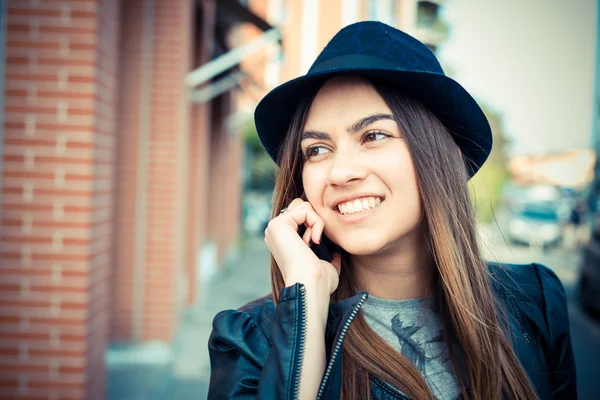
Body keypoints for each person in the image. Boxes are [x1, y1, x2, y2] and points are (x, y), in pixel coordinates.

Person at [207, 21, 576, 399]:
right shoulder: (251, 341)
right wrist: (304, 308)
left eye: (373, 136)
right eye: (316, 149)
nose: (342, 172)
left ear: (435, 155)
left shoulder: (535, 302)